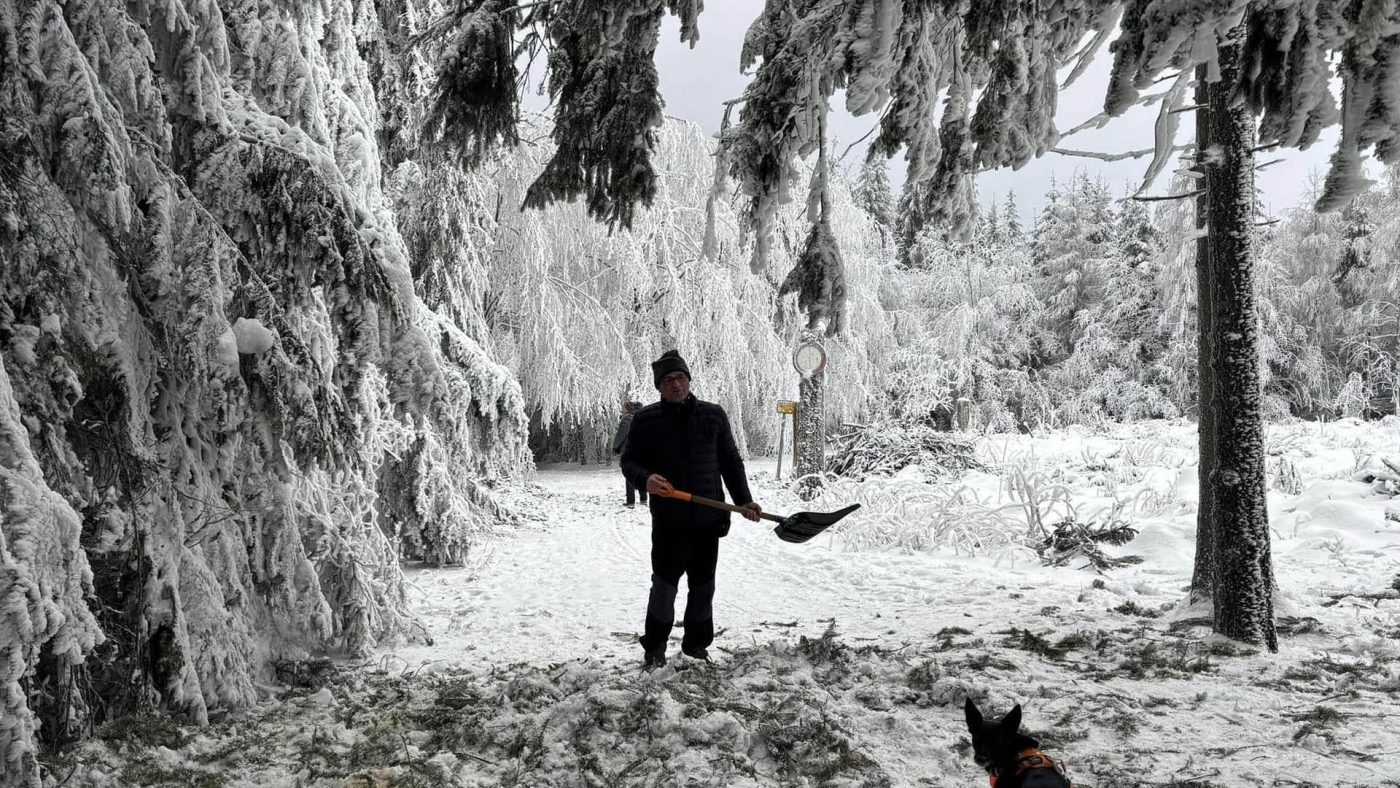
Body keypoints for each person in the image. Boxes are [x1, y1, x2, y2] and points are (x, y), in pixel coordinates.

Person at [620, 350, 761, 669]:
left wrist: (744, 501)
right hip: (670, 521)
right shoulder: (645, 420)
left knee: (702, 587)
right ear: (659, 386)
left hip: (708, 520)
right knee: (664, 587)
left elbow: (730, 461)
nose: (675, 385)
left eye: (680, 378)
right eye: (668, 380)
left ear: (689, 380)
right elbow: (628, 462)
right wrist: (646, 479)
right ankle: (654, 647)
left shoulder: (713, 415)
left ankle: (696, 645)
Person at [612, 400, 646, 507]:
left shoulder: (627, 420)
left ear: (629, 409)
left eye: (624, 408)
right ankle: (643, 498)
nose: (622, 410)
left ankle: (631, 501)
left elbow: (620, 436)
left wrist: (615, 447)